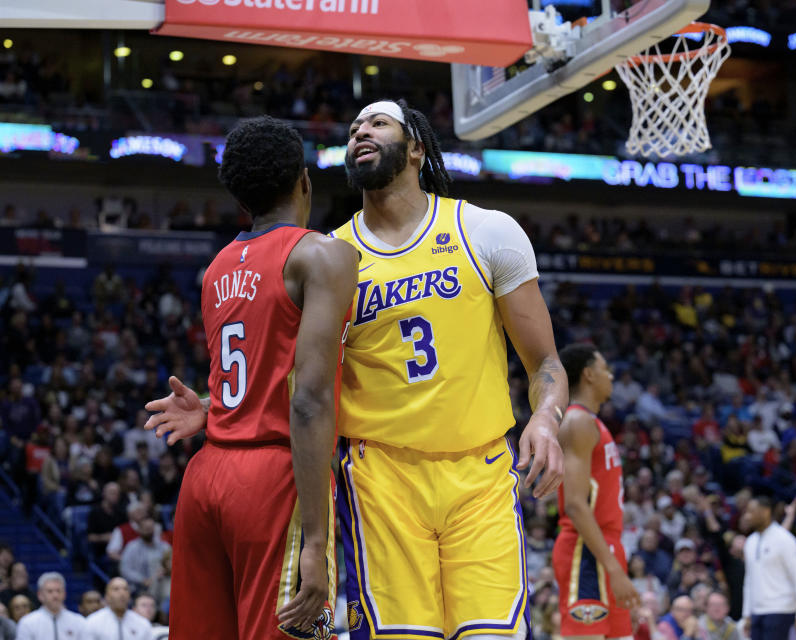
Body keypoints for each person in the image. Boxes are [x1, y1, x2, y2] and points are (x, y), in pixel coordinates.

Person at [146, 99, 566, 639]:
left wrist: (547, 417)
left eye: (378, 122)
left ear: (416, 147)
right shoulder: (330, 254)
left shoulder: (486, 231)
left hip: (478, 474)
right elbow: (296, 378)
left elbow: (546, 362)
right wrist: (217, 408)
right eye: (353, 128)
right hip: (378, 479)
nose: (361, 130)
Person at [142, 116, 358, 639]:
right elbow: (305, 398)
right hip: (275, 480)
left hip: (207, 475)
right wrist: (313, 540)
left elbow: (254, 365)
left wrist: (215, 408)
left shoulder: (217, 266)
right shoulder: (322, 253)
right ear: (304, 180)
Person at [553, 344, 639, 637]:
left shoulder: (594, 423)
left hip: (606, 547)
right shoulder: (577, 421)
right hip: (586, 552)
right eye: (605, 369)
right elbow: (575, 505)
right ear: (589, 374)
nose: (611, 377)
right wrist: (613, 569)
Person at [741, 496, 796, 640]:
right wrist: (746, 613)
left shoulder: (785, 539)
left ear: (766, 512)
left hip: (781, 610)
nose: (747, 516)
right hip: (756, 611)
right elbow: (749, 580)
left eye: (751, 512)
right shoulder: (750, 542)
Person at [13, 572, 87, 639]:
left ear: (64, 594)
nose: (55, 595)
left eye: (58, 591)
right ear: (40, 595)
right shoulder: (27, 623)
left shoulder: (78, 621)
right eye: (50, 591)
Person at [85, 577, 153, 640]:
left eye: (125, 589)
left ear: (129, 596)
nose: (122, 593)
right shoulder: (93, 622)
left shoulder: (142, 623)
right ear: (107, 596)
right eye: (116, 589)